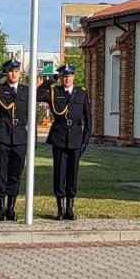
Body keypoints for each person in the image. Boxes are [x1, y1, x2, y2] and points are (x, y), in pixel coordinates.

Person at [40, 64, 93, 220]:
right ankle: (60, 208)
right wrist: (51, 80)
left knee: (72, 174)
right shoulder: (54, 92)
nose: (66, 79)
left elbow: (88, 120)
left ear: (73, 77)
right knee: (59, 173)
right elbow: (37, 94)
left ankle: (70, 208)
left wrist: (85, 142)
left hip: (76, 138)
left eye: (69, 76)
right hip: (59, 138)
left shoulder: (81, 93)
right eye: (63, 77)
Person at [0, 59, 32, 221]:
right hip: (2, 135)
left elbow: (33, 111)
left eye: (16, 71)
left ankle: (11, 206)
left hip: (20, 135)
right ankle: (1, 206)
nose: (13, 74)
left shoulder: (26, 91)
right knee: (0, 171)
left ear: (20, 72)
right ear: (6, 72)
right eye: (10, 71)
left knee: (16, 172)